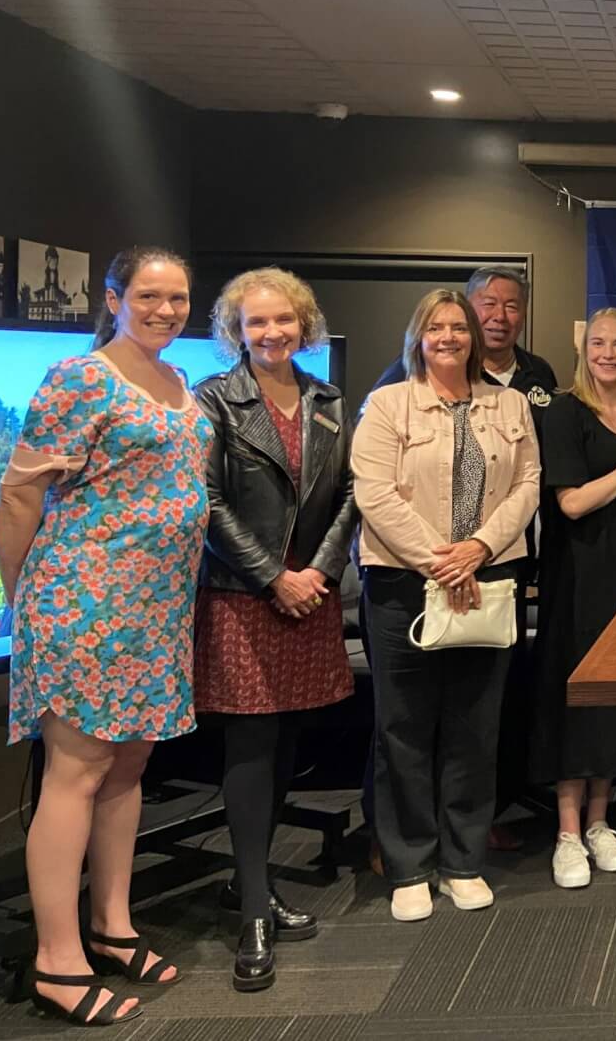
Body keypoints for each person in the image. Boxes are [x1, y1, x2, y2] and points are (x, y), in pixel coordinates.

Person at [0, 247, 212, 1024]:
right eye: (148, 296)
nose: (165, 310)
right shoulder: (81, 379)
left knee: (127, 767)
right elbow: (20, 495)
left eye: (177, 298)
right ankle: (57, 962)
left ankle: (112, 926)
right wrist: (24, 603)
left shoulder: (179, 381)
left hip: (157, 611)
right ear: (114, 299)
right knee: (78, 772)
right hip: (84, 605)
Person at [352, 289, 541, 923]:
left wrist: (479, 549)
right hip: (403, 584)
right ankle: (408, 865)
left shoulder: (509, 404)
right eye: (435, 327)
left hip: (487, 579)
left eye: (458, 327)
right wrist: (441, 562)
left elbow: (527, 486)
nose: (449, 337)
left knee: (474, 727)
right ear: (419, 337)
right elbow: (374, 494)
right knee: (403, 728)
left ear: (474, 337)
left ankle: (463, 861)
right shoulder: (388, 403)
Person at [194, 268, 357, 991]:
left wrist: (318, 572)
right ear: (235, 329)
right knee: (253, 745)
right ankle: (255, 912)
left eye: (283, 319)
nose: (271, 332)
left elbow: (350, 494)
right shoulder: (214, 400)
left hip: (310, 595)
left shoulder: (329, 401)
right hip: (243, 594)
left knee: (289, 740)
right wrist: (273, 576)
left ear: (304, 324)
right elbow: (206, 501)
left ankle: (251, 881)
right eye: (256, 322)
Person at [529, 308, 616, 889]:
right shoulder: (565, 412)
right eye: (598, 344)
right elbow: (573, 504)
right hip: (579, 575)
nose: (608, 354)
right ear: (584, 351)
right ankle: (567, 831)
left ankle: (599, 822)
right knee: (576, 695)